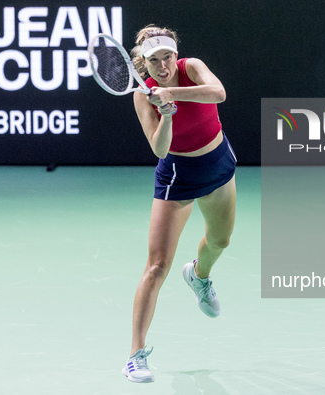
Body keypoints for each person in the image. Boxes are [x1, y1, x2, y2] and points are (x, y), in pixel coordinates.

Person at [121, 25, 236, 383]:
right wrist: (167, 112)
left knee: (220, 241)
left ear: (175, 54)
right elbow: (158, 149)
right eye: (153, 61)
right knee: (156, 266)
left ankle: (199, 276)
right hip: (178, 176)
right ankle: (135, 356)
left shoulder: (192, 68)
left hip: (217, 163)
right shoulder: (143, 96)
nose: (163, 65)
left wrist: (173, 93)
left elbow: (219, 94)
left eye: (167, 57)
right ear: (143, 62)